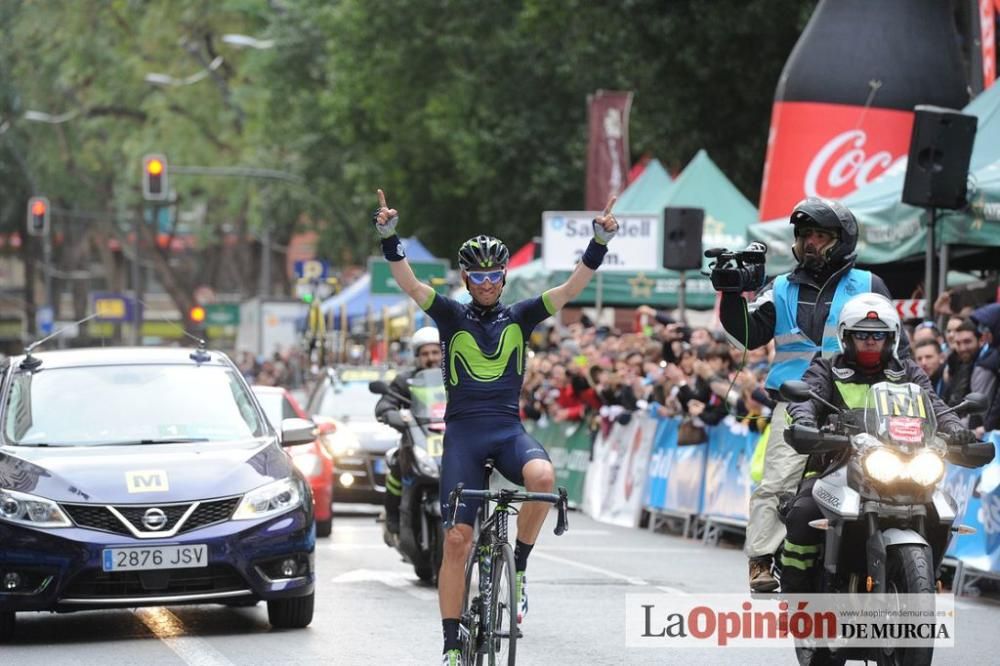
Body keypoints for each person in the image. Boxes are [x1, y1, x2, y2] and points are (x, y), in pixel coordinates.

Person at [372, 188, 620, 666]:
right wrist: (389, 237)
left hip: (507, 430)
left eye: (494, 274)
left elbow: (571, 289)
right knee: (457, 540)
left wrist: (598, 243)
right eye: (478, 274)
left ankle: (520, 567)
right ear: (466, 277)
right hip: (463, 434)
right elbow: (409, 283)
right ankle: (449, 644)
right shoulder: (449, 314)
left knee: (543, 479)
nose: (487, 282)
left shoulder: (521, 315)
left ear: (504, 275)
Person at [716, 197, 908, 592]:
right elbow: (747, 337)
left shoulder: (870, 285)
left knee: (900, 474)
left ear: (842, 240)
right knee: (779, 481)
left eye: (821, 236)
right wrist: (732, 297)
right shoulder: (780, 287)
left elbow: (898, 350)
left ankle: (910, 557)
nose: (811, 243)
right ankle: (762, 559)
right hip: (797, 400)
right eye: (805, 236)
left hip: (865, 400)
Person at [781, 293, 974, 593]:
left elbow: (935, 405)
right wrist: (805, 421)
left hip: (903, 466)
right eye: (862, 335)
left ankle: (924, 579)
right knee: (803, 512)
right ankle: (796, 600)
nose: (871, 341)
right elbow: (806, 397)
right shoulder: (827, 369)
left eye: (879, 335)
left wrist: (955, 428)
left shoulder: (907, 371)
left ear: (892, 338)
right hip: (837, 465)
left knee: (940, 511)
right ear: (846, 337)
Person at [374, 326, 443, 538]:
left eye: (435, 352)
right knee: (395, 462)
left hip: (450, 440)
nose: (430, 358)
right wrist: (394, 415)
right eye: (425, 354)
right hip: (416, 440)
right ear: (417, 357)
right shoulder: (405, 381)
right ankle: (393, 517)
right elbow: (385, 404)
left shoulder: (455, 379)